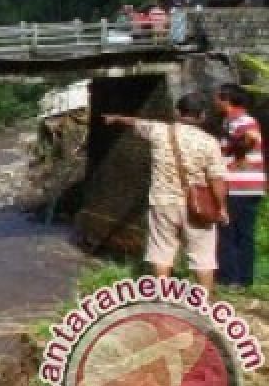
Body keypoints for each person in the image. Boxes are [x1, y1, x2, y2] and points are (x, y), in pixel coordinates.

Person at [103, 93, 229, 294]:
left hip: (163, 202)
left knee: (162, 252)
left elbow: (137, 122)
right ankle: (206, 304)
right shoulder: (209, 142)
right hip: (198, 205)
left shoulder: (159, 131)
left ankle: (164, 299)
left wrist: (117, 118)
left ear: (177, 113)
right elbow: (216, 178)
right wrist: (221, 206)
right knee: (203, 255)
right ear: (202, 116)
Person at [214, 84, 264, 287]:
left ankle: (231, 279)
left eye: (217, 98)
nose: (214, 102)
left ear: (226, 100)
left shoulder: (244, 120)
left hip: (239, 186)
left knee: (230, 232)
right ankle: (243, 278)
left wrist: (237, 159)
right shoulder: (229, 121)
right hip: (247, 186)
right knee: (240, 233)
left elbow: (252, 138)